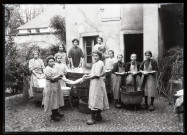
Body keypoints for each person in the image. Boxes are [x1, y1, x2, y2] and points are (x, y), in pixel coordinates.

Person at [83, 50, 109, 125]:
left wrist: (88, 77)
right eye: (93, 56)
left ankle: (93, 118)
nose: (94, 57)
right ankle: (98, 115)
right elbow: (93, 73)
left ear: (100, 56)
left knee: (95, 98)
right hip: (95, 82)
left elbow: (97, 75)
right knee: (97, 98)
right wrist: (88, 75)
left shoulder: (100, 63)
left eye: (96, 56)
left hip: (97, 83)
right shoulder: (96, 63)